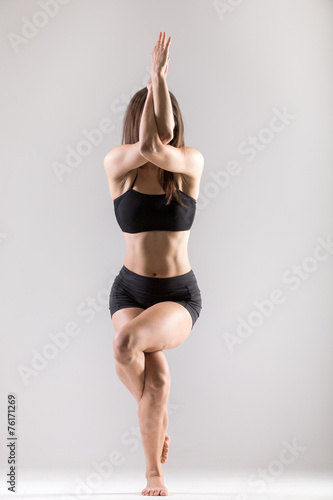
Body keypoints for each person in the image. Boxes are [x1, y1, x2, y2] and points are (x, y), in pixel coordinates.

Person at [104, 32, 204, 496]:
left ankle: (152, 467)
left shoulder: (188, 163)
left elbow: (157, 143)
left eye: (165, 115)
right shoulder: (118, 164)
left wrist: (159, 78)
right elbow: (145, 146)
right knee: (156, 379)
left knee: (128, 344)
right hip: (129, 291)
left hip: (178, 296)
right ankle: (154, 469)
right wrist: (154, 79)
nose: (161, 128)